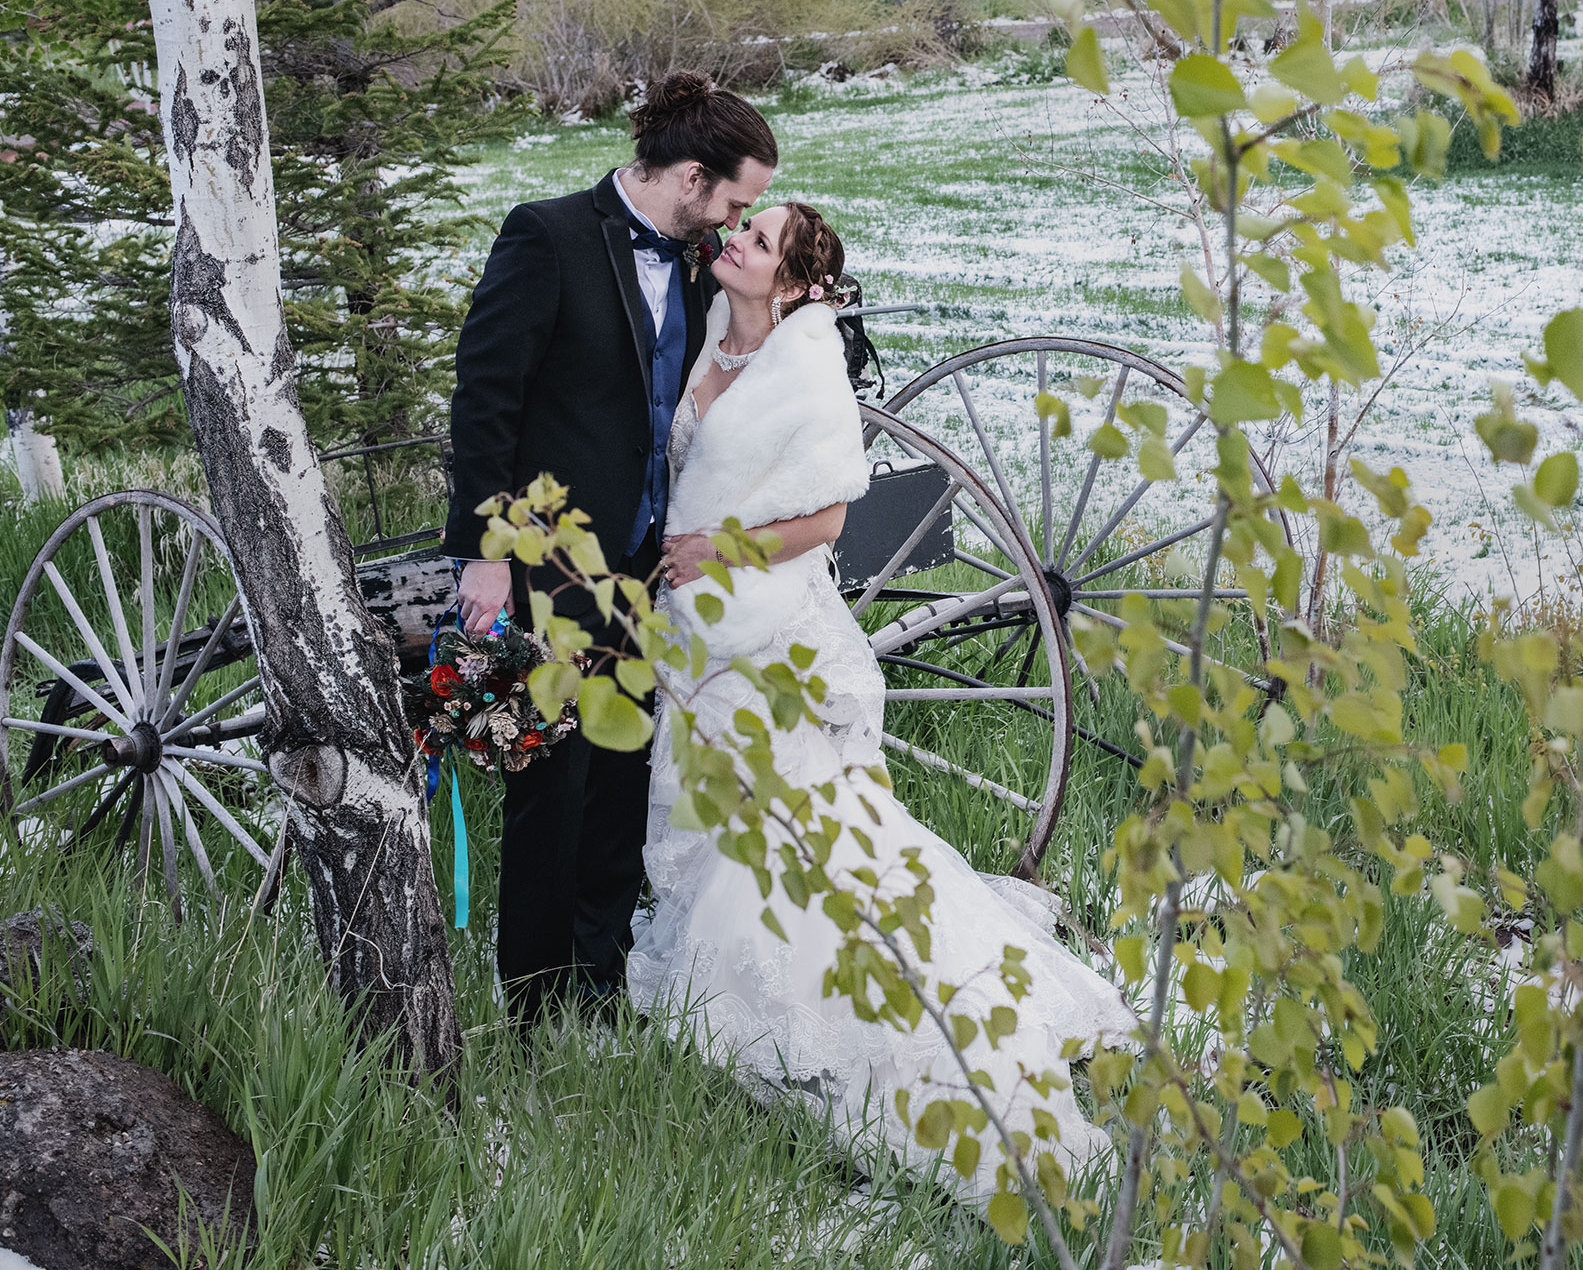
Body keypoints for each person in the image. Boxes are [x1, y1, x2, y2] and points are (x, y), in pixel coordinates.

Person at [628, 200, 1134, 1202]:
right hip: (694, 623)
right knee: (719, 808)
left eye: (760, 241)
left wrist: (713, 552)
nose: (735, 240)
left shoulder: (805, 361)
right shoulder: (699, 331)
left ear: (801, 285)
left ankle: (846, 1021)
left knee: (787, 822)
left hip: (763, 614)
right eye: (741, 228)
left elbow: (825, 517)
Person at [443, 72, 778, 1024]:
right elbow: (485, 402)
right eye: (735, 199)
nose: (737, 218)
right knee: (553, 781)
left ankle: (601, 980)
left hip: (637, 567)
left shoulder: (693, 255)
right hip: (546, 563)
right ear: (686, 179)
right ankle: (535, 1003)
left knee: (619, 779)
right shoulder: (545, 237)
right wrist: (485, 550)